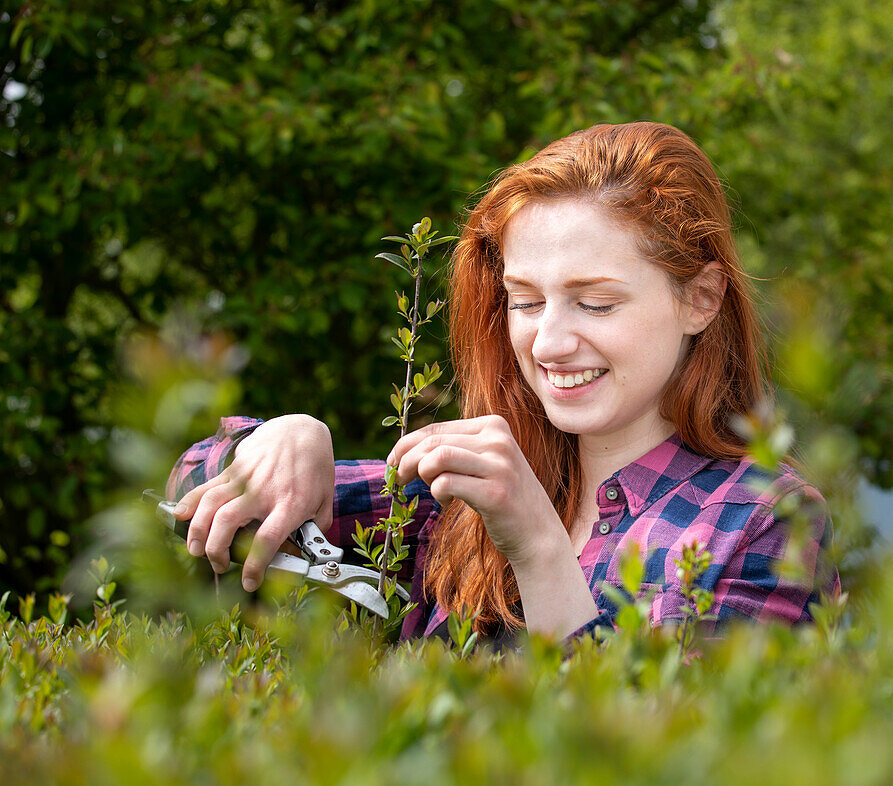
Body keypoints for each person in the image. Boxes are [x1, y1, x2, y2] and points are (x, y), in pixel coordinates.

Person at [168, 121, 839, 643]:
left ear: (700, 299)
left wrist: (539, 545)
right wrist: (281, 444)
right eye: (524, 300)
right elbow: (188, 496)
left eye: (595, 303)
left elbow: (681, 750)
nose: (548, 342)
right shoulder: (457, 503)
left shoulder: (759, 523)